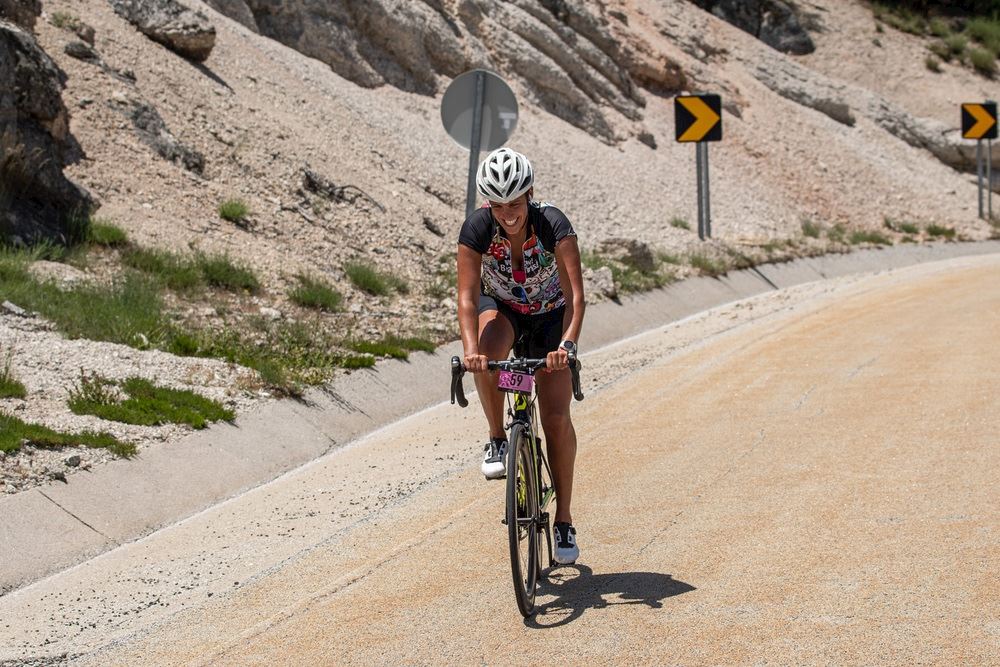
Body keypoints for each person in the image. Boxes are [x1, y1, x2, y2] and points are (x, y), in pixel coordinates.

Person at [456, 147, 586, 564]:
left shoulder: (553, 224)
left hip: (551, 315)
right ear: (486, 203)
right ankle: (497, 439)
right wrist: (471, 352)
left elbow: (577, 297)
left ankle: (563, 520)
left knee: (554, 417)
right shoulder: (477, 228)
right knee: (488, 351)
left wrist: (566, 347)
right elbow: (466, 297)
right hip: (506, 308)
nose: (508, 213)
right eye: (498, 205)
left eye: (515, 203)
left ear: (530, 193)